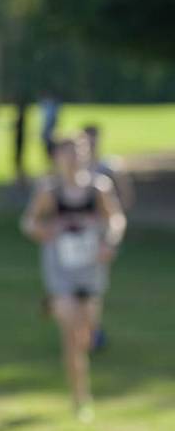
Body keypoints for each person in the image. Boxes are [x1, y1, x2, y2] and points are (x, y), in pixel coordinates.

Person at [21, 135, 126, 421]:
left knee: (86, 337)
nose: (73, 158)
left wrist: (110, 242)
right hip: (61, 272)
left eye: (78, 152)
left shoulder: (98, 188)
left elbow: (116, 219)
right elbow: (29, 221)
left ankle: (81, 329)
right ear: (56, 157)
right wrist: (45, 230)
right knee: (71, 334)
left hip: (91, 272)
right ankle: (81, 398)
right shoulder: (49, 190)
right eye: (66, 153)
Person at [82, 123, 134, 351]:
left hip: (101, 233)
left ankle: (93, 331)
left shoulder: (109, 167)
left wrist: (114, 220)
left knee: (94, 285)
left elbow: (125, 197)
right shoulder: (76, 169)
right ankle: (84, 329)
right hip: (78, 235)